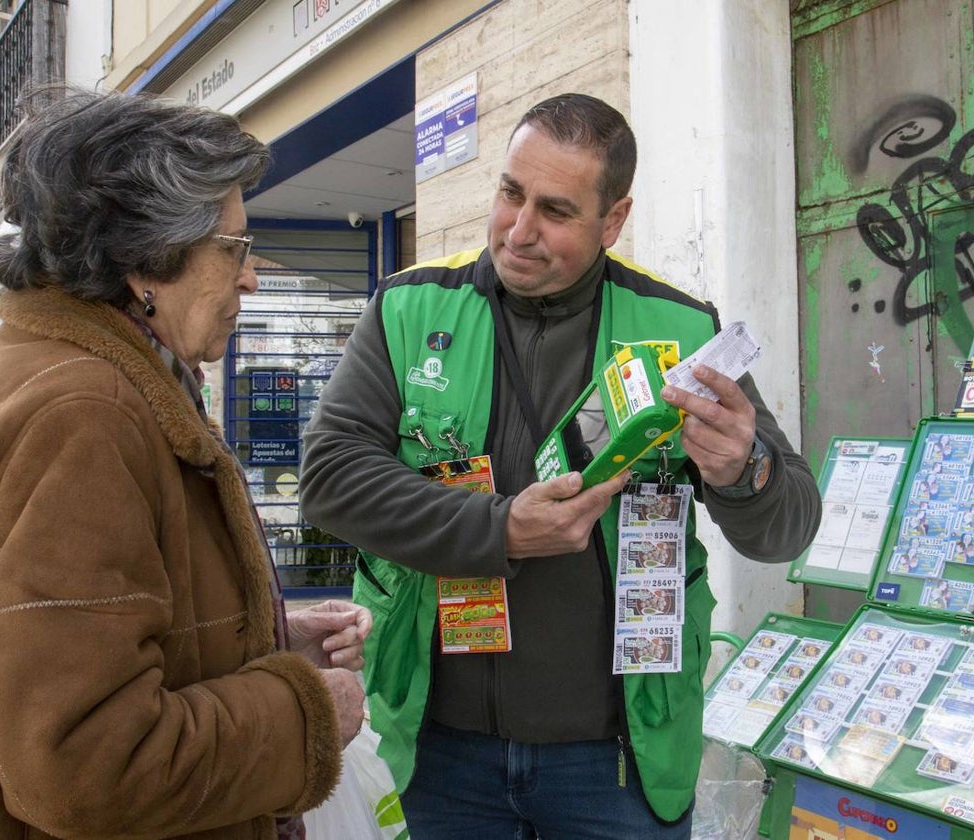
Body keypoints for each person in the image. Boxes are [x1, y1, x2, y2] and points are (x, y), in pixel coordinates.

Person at [299, 92, 822, 838]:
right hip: (436, 751)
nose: (519, 231)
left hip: (614, 764)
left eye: (555, 210)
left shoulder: (677, 328)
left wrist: (746, 469)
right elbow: (330, 476)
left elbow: (788, 526)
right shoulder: (410, 308)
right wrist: (500, 528)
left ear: (613, 220)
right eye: (510, 194)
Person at [0, 89, 370, 839]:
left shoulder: (50, 374)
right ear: (145, 260)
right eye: (232, 248)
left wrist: (261, 634)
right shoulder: (87, 415)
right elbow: (86, 764)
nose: (251, 278)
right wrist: (301, 714)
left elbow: (88, 643)